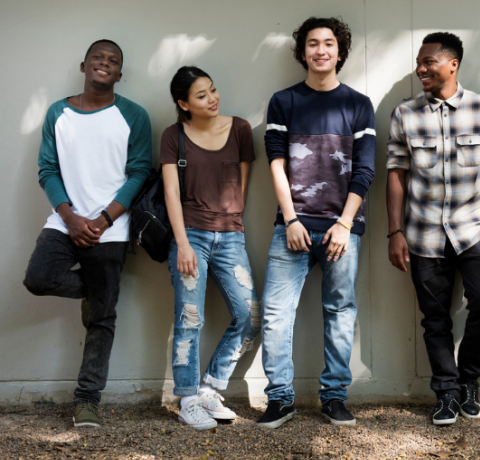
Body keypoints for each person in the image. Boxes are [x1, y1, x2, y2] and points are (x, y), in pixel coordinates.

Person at [23, 39, 151, 427]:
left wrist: (105, 219)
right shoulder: (58, 113)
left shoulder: (134, 115)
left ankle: (87, 400)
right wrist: (71, 217)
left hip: (111, 230)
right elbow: (47, 169)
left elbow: (140, 170)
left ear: (119, 74)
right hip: (65, 223)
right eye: (98, 57)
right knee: (38, 278)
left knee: (101, 319)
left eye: (113, 61)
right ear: (84, 65)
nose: (104, 63)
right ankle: (95, 293)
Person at [386, 32, 480, 425]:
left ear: (452, 63)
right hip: (423, 232)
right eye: (419, 63)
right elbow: (396, 174)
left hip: (475, 228)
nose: (420, 69)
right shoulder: (405, 113)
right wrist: (395, 232)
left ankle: (470, 382)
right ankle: (446, 390)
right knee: (434, 318)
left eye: (428, 62)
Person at [257, 16, 376, 428]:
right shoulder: (284, 101)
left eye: (328, 43)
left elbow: (364, 171)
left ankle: (334, 397)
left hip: (342, 228)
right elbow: (276, 164)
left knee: (340, 310)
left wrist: (344, 225)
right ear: (302, 51)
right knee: (275, 312)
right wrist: (290, 219)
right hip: (293, 225)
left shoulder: (358, 104)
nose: (320, 50)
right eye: (312, 43)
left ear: (339, 51)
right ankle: (280, 398)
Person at [161, 66, 260, 431]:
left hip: (230, 236)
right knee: (190, 318)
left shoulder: (240, 129)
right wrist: (183, 244)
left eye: (213, 90)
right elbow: (171, 191)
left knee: (250, 316)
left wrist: (232, 223)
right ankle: (187, 398)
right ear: (183, 103)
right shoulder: (174, 136)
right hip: (190, 235)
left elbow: (242, 185)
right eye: (201, 96)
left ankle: (210, 388)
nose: (212, 99)